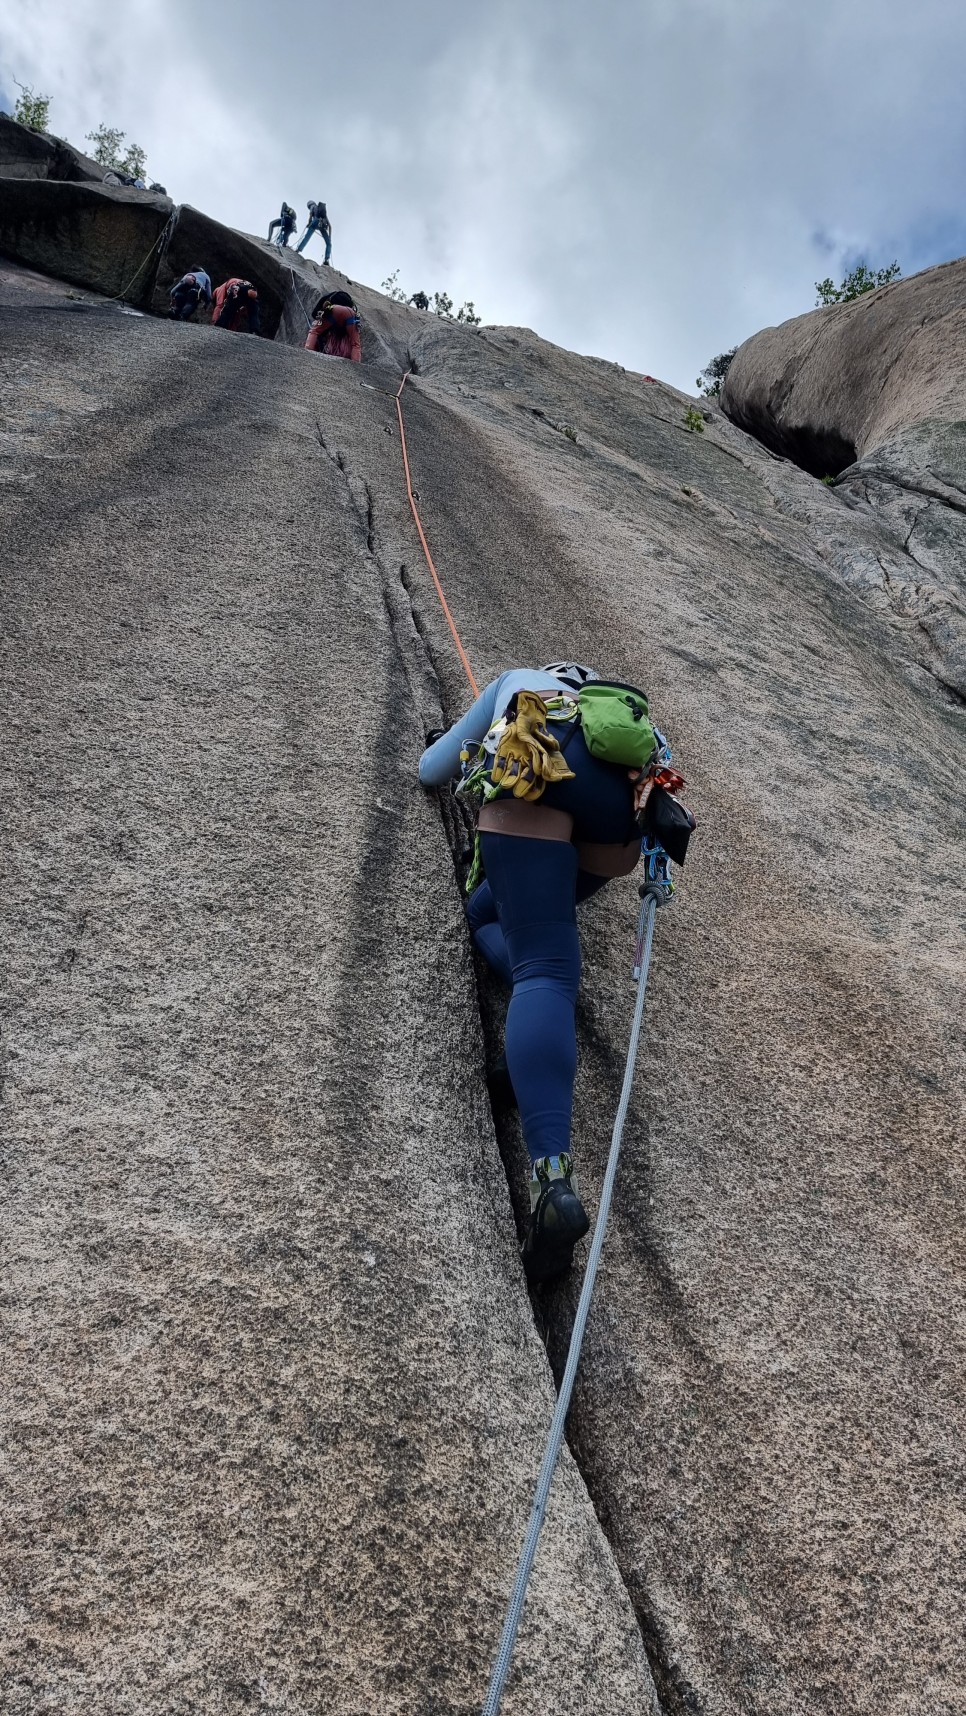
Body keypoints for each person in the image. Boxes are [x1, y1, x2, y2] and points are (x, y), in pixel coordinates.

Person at [419, 662, 652, 1285]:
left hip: (543, 775)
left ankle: (552, 1180)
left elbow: (431, 771)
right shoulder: (612, 715)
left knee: (543, 970)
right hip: (616, 814)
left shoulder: (516, 682)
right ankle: (531, 1058)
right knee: (493, 916)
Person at [304, 291, 361, 362]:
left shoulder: (328, 298)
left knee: (314, 331)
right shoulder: (351, 305)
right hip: (350, 314)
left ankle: (308, 352)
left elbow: (315, 315)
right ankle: (356, 364)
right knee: (355, 343)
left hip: (334, 310)